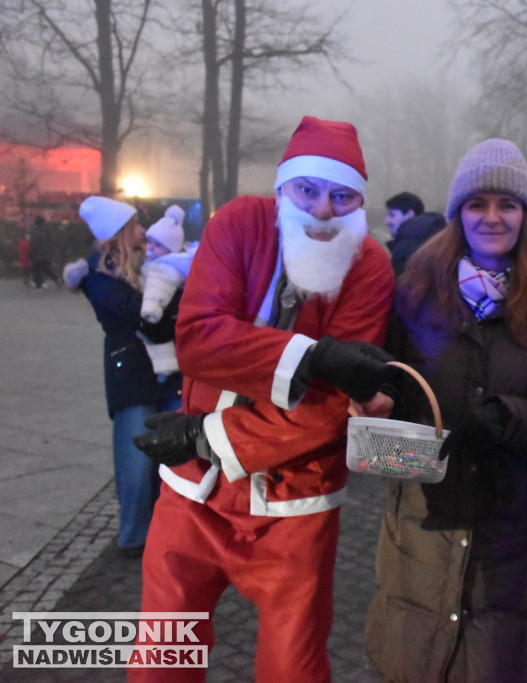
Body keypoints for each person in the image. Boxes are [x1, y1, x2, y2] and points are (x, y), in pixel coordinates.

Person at [128, 116, 397, 682]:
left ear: (359, 204)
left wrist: (205, 435)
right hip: (193, 495)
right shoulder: (240, 223)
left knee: (292, 668)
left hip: (295, 504)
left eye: (342, 196)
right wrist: (313, 358)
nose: (322, 210)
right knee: (161, 658)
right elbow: (199, 339)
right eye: (307, 189)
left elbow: (330, 407)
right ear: (282, 188)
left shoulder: (369, 265)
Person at [363, 138, 527, 682]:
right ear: (458, 214)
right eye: (477, 204)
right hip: (423, 527)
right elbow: (388, 389)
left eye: (507, 204)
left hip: (517, 530)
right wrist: (377, 407)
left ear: (526, 216)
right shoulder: (414, 292)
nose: (492, 217)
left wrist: (509, 419)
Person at [63, 197, 183, 558]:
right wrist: (171, 304)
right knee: (136, 461)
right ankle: (134, 536)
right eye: (134, 226)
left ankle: (168, 530)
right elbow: (141, 315)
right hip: (130, 376)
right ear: (118, 233)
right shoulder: (97, 275)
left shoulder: (153, 263)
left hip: (170, 371)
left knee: (174, 455)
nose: (143, 231)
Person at [138, 204, 195, 382]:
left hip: (158, 314)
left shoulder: (166, 267)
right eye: (149, 242)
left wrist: (150, 310)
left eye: (157, 245)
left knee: (159, 342)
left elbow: (157, 290)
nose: (150, 248)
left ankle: (166, 368)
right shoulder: (154, 263)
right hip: (166, 318)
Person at [383, 190, 446, 276]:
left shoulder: (406, 248)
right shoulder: (434, 237)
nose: (386, 221)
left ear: (409, 215)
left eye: (392, 215)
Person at [28, 215, 60, 289]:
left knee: (36, 269)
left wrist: (30, 252)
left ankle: (38, 284)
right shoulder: (47, 229)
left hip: (37, 253)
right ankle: (56, 279)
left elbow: (33, 242)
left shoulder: (34, 230)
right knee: (46, 268)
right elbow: (52, 241)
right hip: (46, 253)